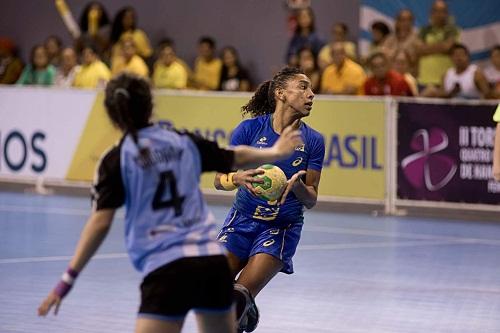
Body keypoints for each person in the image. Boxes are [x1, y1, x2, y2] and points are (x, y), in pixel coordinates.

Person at [37, 73, 303, 333]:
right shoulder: (182, 141)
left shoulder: (117, 159)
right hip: (211, 262)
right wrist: (274, 152)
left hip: (167, 268)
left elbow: (100, 223)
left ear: (111, 114)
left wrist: (66, 281)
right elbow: (233, 156)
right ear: (151, 105)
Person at [213, 67, 325, 332]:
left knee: (238, 296)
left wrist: (296, 186)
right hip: (240, 221)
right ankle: (245, 312)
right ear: (281, 93)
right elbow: (219, 180)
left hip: (280, 229)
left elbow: (311, 199)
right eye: (303, 87)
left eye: (310, 89)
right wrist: (237, 179)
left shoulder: (313, 141)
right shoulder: (249, 130)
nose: (311, 94)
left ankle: (242, 306)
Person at [416, 0, 459, 89]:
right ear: (431, 13)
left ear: (447, 14)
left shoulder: (453, 31)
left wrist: (427, 48)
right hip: (424, 80)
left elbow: (447, 47)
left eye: (443, 11)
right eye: (437, 11)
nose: (440, 14)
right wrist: (441, 47)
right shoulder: (423, 31)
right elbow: (419, 49)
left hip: (446, 81)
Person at [383, 9, 419, 76]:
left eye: (408, 20)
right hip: (392, 78)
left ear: (412, 22)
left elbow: (416, 61)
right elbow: (384, 59)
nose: (405, 23)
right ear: (397, 22)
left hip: (411, 78)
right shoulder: (389, 39)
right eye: (402, 20)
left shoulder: (418, 39)